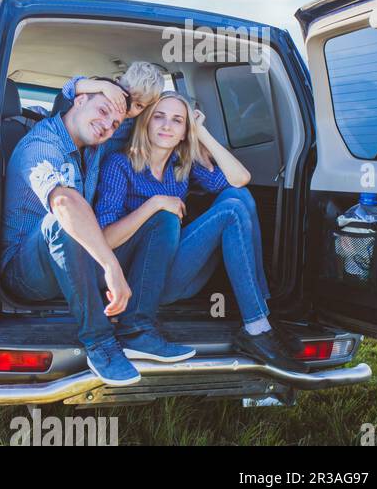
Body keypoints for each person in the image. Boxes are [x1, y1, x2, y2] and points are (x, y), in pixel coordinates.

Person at [94, 91, 308, 371]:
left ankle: (262, 317)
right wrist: (154, 204)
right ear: (145, 122)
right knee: (224, 211)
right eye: (158, 117)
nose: (166, 126)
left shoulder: (182, 166)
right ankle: (257, 327)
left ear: (185, 131)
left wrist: (201, 133)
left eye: (177, 120)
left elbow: (240, 179)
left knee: (239, 197)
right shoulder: (119, 165)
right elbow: (106, 239)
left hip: (176, 269)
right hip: (138, 281)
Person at [0, 84, 187, 387]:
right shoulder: (41, 145)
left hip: (79, 265)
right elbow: (65, 203)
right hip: (27, 272)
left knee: (162, 217)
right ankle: (99, 342)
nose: (107, 125)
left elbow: (148, 127)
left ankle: (137, 330)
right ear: (80, 100)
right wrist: (111, 267)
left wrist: (137, 110)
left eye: (115, 123)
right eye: (102, 111)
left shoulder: (97, 144)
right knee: (61, 219)